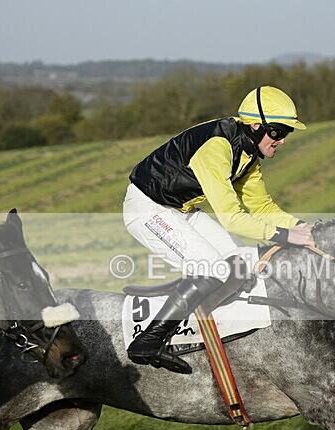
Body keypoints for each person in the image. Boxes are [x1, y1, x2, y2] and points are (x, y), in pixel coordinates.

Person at [122, 86, 314, 374]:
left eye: (287, 132)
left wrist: (303, 228)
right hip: (148, 208)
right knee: (214, 270)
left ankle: (210, 328)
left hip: (181, 210)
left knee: (243, 262)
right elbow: (232, 219)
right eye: (277, 132)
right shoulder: (218, 146)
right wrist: (285, 236)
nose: (282, 140)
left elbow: (263, 208)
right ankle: (148, 342)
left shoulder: (248, 156)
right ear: (255, 125)